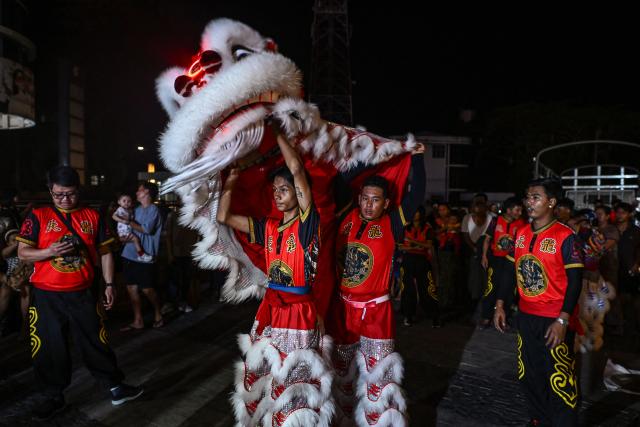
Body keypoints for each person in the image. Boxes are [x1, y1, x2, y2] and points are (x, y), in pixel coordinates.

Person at [217, 128, 332, 426]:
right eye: (275, 191)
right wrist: (231, 179)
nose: (278, 195)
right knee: (262, 374)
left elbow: (296, 168)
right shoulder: (267, 226)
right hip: (270, 308)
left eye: (284, 189)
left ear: (298, 191)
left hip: (297, 312)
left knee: (293, 380)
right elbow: (224, 218)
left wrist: (278, 131)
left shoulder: (307, 224)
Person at [16, 166, 142, 420]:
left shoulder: (93, 216)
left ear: (79, 190)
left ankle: (114, 386)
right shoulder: (38, 216)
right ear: (50, 191)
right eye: (58, 194)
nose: (65, 199)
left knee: (96, 341)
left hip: (83, 292)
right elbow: (22, 253)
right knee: (50, 346)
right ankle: (52, 395)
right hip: (46, 295)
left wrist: (108, 285)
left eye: (70, 194)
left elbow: (105, 252)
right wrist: (49, 252)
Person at [329, 144, 425, 427]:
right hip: (343, 308)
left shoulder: (393, 222)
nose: (369, 204)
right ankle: (344, 420)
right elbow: (338, 181)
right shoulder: (345, 216)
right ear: (359, 198)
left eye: (376, 200)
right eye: (365, 198)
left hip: (376, 313)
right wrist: (372, 157)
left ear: (386, 203)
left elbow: (416, 193)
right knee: (341, 372)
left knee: (378, 378)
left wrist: (417, 158)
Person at [494, 177, 583, 426]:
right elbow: (509, 273)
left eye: (536, 197)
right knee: (528, 375)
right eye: (527, 197)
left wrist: (563, 319)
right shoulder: (520, 234)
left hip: (555, 319)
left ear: (551, 202)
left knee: (559, 378)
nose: (529, 203)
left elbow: (575, 282)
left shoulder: (566, 237)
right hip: (526, 317)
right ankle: (539, 420)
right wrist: (500, 304)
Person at [120, 182, 164, 331]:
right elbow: (127, 227)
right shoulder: (136, 209)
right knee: (131, 288)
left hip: (146, 255)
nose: (137, 192)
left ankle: (158, 311)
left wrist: (128, 222)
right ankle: (138, 320)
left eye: (140, 190)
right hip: (129, 253)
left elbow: (146, 229)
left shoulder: (154, 210)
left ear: (147, 193)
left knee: (147, 289)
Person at [479, 196, 525, 327]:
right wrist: (484, 256)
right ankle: (486, 316)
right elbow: (487, 240)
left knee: (509, 288)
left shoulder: (522, 223)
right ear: (509, 210)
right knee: (491, 287)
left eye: (521, 210)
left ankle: (504, 316)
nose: (519, 213)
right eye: (517, 210)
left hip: (512, 261)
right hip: (496, 259)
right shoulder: (495, 221)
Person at [398, 205, 439, 327]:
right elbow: (400, 246)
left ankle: (434, 316)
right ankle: (408, 315)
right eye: (414, 212)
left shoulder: (427, 228)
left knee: (427, 288)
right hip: (408, 259)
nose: (415, 214)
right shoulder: (405, 227)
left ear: (421, 214)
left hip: (422, 260)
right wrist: (415, 247)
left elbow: (428, 246)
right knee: (407, 289)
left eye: (417, 212)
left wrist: (413, 243)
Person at [615, 202, 640, 350]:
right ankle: (619, 331)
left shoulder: (635, 231)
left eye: (623, 212)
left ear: (629, 214)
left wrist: (636, 264)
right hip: (612, 271)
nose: (620, 215)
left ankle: (631, 335)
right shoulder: (612, 230)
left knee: (630, 304)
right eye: (618, 212)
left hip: (630, 273)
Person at [461, 195, 493, 311]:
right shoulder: (467, 218)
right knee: (473, 277)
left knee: (485, 276)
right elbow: (465, 235)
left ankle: (484, 300)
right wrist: (474, 247)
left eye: (481, 204)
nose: (478, 207)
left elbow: (489, 237)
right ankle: (473, 300)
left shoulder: (490, 218)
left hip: (486, 250)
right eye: (476, 204)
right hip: (472, 250)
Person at [112, 193, 153, 262]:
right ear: (119, 202)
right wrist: (122, 220)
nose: (126, 203)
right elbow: (114, 216)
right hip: (123, 231)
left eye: (129, 201)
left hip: (128, 230)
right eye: (124, 201)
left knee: (135, 240)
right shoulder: (120, 209)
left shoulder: (129, 210)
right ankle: (141, 255)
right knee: (136, 239)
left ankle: (140, 255)